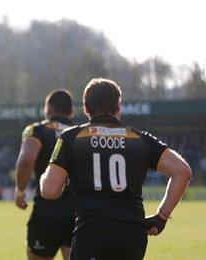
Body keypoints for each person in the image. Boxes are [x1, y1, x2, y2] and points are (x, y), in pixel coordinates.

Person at [41, 78, 192, 260]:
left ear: (86, 108)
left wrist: (47, 175)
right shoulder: (140, 139)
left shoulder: (72, 138)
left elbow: (49, 191)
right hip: (132, 237)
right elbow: (183, 172)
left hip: (91, 233)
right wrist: (161, 217)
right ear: (118, 106)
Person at [14, 90, 75, 260]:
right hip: (78, 212)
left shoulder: (35, 131)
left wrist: (20, 192)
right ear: (71, 112)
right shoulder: (81, 133)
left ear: (48, 110)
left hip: (47, 212)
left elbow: (26, 161)